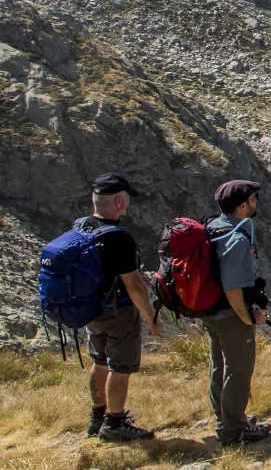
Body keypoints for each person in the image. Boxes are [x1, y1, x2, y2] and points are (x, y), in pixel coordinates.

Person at [82, 172, 161, 442]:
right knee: (121, 366)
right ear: (117, 201)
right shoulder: (118, 237)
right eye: (126, 199)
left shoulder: (82, 226)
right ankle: (114, 422)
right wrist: (150, 317)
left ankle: (97, 416)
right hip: (118, 311)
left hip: (91, 310)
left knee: (99, 361)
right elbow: (134, 285)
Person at [205, 180, 271, 447]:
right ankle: (234, 432)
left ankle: (225, 421)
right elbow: (233, 288)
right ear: (243, 205)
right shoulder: (237, 238)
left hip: (210, 311)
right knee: (238, 372)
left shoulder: (212, 228)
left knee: (219, 368)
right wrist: (247, 317)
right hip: (230, 316)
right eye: (254, 199)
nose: (256, 203)